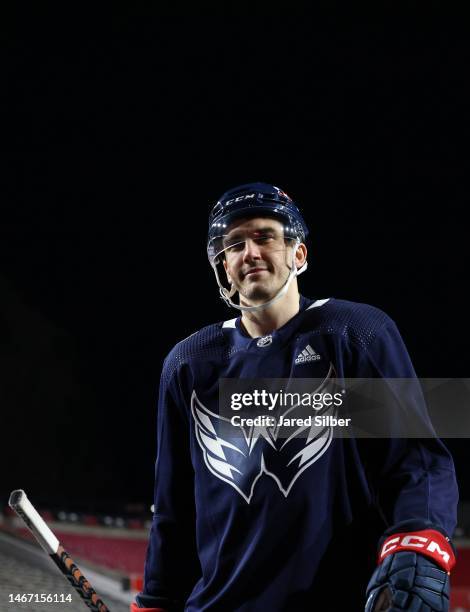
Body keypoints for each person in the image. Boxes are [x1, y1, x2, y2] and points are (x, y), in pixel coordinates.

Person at [132, 183, 458, 612]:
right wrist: (157, 600)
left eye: (264, 236)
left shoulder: (354, 334)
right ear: (223, 267)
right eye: (233, 244)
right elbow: (174, 511)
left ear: (298, 254)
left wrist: (420, 537)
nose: (249, 252)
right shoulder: (189, 364)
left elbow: (416, 461)